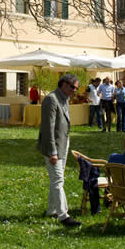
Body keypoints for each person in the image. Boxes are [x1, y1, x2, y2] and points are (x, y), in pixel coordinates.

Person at [37, 73, 81, 227]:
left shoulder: (64, 99)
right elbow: (48, 128)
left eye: (76, 88)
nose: (75, 91)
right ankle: (63, 216)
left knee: (56, 179)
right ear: (64, 84)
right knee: (58, 180)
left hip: (63, 143)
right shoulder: (51, 99)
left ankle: (52, 210)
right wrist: (53, 152)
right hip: (53, 147)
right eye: (73, 87)